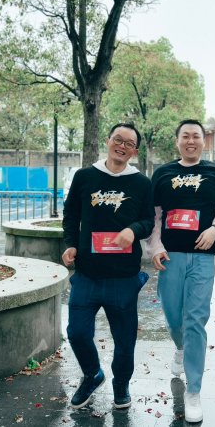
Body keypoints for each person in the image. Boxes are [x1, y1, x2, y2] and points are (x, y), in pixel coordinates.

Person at [62, 122, 154, 410]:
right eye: (118, 139)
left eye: (129, 144)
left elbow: (149, 221)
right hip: (87, 274)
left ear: (134, 151)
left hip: (123, 278)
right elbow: (70, 214)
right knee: (77, 333)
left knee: (125, 342)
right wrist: (70, 244)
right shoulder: (84, 176)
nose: (122, 146)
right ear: (108, 140)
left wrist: (133, 230)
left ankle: (121, 384)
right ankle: (92, 374)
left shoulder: (141, 183)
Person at [147, 119, 215, 423]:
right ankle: (180, 347)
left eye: (196, 136)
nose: (191, 141)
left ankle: (193, 390)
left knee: (195, 319)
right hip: (171, 257)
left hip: (202, 257)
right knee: (174, 317)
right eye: (186, 136)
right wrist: (156, 247)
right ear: (178, 141)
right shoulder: (163, 174)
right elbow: (155, 217)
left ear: (203, 141)